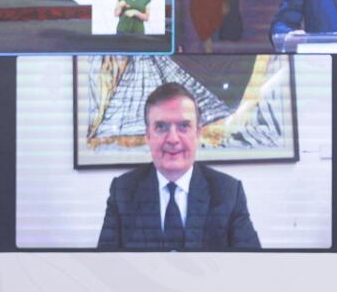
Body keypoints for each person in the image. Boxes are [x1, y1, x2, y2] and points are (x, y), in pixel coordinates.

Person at [98, 82, 261, 250]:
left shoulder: (228, 192)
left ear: (197, 133)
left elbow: (252, 266)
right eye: (161, 127)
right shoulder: (123, 192)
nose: (173, 139)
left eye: (184, 126)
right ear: (148, 136)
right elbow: (106, 267)